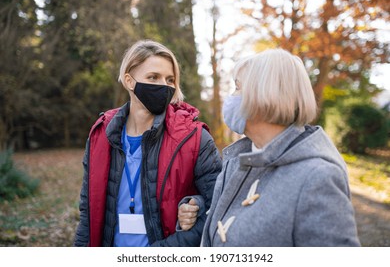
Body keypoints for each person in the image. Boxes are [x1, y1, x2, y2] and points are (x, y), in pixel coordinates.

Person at [181, 49, 360, 246]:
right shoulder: (239, 159)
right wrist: (198, 207)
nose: (231, 97)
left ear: (264, 95)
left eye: (237, 88)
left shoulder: (317, 178)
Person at [74, 40, 221, 247]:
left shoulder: (194, 138)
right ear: (129, 81)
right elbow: (88, 213)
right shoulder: (101, 134)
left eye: (170, 80)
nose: (164, 85)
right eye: (153, 77)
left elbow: (219, 208)